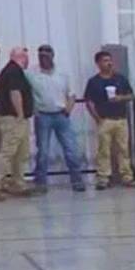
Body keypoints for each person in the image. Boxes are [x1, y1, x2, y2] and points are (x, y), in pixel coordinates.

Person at [27, 44, 84, 192]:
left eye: (46, 55)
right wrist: (33, 110)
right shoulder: (32, 73)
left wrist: (68, 109)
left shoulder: (63, 73)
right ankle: (41, 183)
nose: (43, 58)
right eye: (41, 55)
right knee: (43, 152)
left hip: (61, 114)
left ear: (52, 56)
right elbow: (25, 91)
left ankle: (77, 181)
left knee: (71, 149)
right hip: (42, 115)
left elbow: (72, 94)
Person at [83, 50, 135, 189]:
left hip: (120, 119)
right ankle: (103, 177)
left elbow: (131, 95)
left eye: (110, 60)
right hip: (104, 119)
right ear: (98, 63)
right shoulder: (94, 82)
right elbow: (89, 101)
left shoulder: (120, 79)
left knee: (123, 149)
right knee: (104, 150)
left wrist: (120, 98)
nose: (109, 63)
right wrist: (97, 118)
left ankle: (127, 176)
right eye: (105, 60)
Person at [0, 47, 35, 199]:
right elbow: (15, 92)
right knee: (8, 150)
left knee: (21, 153)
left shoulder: (12, 71)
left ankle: (18, 183)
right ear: (21, 57)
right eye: (26, 57)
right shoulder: (13, 71)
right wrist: (20, 113)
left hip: (17, 117)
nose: (28, 60)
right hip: (14, 118)